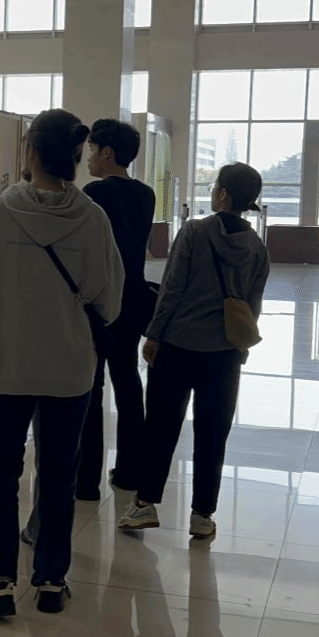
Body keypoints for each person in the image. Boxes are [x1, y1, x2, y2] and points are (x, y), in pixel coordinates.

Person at [0, 109, 124, 618]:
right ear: (75, 155)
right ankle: (51, 581)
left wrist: (11, 324)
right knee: (57, 475)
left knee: (0, 473)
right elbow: (110, 300)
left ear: (30, 151)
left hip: (8, 364)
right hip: (70, 370)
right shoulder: (93, 219)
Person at [117, 162, 270, 539]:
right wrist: (241, 346)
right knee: (213, 432)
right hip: (225, 353)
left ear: (223, 194)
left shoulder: (195, 232)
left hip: (178, 346)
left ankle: (144, 505)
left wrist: (153, 334)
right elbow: (252, 304)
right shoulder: (257, 247)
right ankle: (203, 515)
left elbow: (172, 288)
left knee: (161, 427)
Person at [77, 118, 156, 500]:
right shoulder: (146, 194)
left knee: (91, 388)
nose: (89, 158)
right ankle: (130, 470)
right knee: (127, 381)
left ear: (107, 152)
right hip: (133, 299)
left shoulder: (94, 193)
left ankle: (86, 480)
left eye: (93, 150)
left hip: (99, 302)